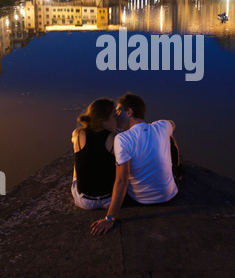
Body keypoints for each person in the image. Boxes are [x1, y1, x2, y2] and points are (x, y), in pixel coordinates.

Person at [90, 93, 179, 236]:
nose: (117, 115)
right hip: (169, 194)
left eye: (119, 111)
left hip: (142, 199)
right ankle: (177, 170)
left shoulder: (122, 139)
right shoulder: (161, 126)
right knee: (169, 138)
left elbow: (121, 181)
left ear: (129, 112)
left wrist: (109, 218)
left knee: (120, 168)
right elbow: (172, 123)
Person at [71, 97, 117, 210]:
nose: (117, 119)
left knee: (78, 157)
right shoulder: (114, 138)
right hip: (109, 200)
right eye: (114, 116)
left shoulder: (77, 133)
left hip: (84, 201)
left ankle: (78, 182)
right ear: (103, 120)